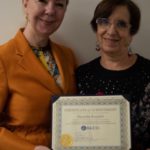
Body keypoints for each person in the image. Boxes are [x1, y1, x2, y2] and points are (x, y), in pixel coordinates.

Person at [0, 0, 76, 150]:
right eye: (43, 1)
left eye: (59, 4)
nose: (50, 10)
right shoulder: (3, 58)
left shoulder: (68, 55)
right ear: (25, 3)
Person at [76, 0, 150, 149]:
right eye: (104, 22)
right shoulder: (81, 75)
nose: (111, 31)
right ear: (96, 28)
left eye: (121, 24)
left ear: (131, 34)